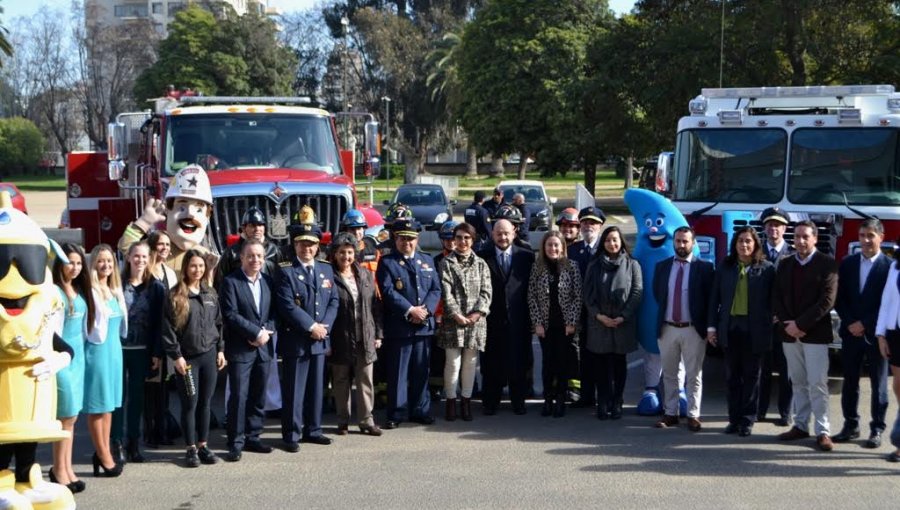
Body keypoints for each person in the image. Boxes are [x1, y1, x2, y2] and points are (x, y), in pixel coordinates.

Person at [772, 220, 838, 451]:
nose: (800, 241)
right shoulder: (785, 263)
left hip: (815, 334)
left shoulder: (827, 264)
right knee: (797, 381)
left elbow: (827, 301)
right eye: (797, 236)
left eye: (805, 237)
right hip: (789, 334)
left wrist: (800, 324)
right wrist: (788, 324)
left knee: (817, 383)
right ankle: (800, 425)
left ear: (815, 239)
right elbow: (776, 296)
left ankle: (823, 430)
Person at [275, 223, 339, 451]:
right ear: (295, 244)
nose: (307, 248)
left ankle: (313, 430)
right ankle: (291, 435)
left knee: (316, 389)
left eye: (311, 244)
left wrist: (326, 326)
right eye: (302, 243)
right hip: (297, 341)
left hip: (320, 339)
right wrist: (311, 326)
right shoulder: (285, 270)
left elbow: (333, 300)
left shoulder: (326, 269)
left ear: (318, 245)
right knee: (294, 390)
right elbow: (286, 305)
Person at [707, 227, 775, 437]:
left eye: (748, 241)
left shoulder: (767, 269)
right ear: (734, 244)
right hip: (730, 329)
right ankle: (733, 419)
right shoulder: (725, 267)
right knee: (732, 378)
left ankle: (747, 419)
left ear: (755, 245)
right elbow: (714, 300)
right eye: (740, 241)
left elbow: (773, 302)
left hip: (754, 331)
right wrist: (711, 327)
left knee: (752, 377)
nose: (744, 245)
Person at [161, 250, 226, 467]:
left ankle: (203, 445)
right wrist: (176, 356)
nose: (197, 270)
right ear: (185, 268)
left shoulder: (210, 293)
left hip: (209, 356)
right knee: (190, 403)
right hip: (187, 360)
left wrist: (220, 350)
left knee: (206, 404)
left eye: (200, 266)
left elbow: (218, 324)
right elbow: (168, 330)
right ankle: (190, 449)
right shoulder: (175, 296)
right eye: (193, 266)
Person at [376, 218, 442, 429]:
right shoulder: (388, 263)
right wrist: (410, 310)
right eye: (403, 239)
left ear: (417, 239)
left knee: (421, 371)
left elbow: (435, 289)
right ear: (396, 239)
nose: (407, 243)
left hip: (423, 325)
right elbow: (387, 291)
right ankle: (396, 412)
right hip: (400, 326)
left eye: (411, 239)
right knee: (398, 372)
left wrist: (426, 311)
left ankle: (420, 410)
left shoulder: (427, 260)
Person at [833, 219, 892, 447]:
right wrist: (850, 323)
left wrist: (865, 324)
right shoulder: (847, 264)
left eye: (870, 235)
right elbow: (840, 298)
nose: (865, 240)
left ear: (881, 237)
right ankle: (850, 425)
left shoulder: (890, 267)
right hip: (850, 334)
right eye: (862, 235)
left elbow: (888, 303)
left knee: (878, 384)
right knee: (850, 382)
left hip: (877, 335)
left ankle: (876, 429)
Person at [220, 239, 278, 462]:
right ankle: (235, 441)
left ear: (264, 259)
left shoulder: (269, 282)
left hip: (263, 348)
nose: (255, 260)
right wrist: (255, 333)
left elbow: (274, 313)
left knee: (258, 394)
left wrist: (266, 332)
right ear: (242, 258)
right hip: (241, 349)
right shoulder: (230, 282)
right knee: (239, 396)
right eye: (250, 256)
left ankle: (253, 436)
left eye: (259, 256)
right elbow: (231, 314)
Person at [652, 227, 714, 431]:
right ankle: (670, 413)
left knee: (693, 374)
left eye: (685, 241)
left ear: (693, 243)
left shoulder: (704, 268)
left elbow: (710, 300)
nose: (681, 245)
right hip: (668, 327)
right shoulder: (662, 267)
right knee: (669, 374)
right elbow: (657, 293)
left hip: (693, 329)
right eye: (678, 241)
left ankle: (693, 415)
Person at [112, 241, 166, 464]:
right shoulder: (117, 284)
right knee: (117, 398)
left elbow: (159, 323)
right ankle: (116, 443)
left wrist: (156, 352)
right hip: (117, 349)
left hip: (142, 350)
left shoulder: (156, 287)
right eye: (136, 256)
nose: (140, 261)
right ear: (128, 257)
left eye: (144, 257)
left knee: (137, 399)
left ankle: (133, 442)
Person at [583, 226, 643, 420]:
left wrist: (623, 316)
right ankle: (603, 400)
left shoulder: (632, 264)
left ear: (621, 241)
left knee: (618, 365)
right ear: (604, 243)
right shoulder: (594, 265)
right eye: (608, 240)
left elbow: (637, 292)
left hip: (622, 323)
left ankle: (617, 400)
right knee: (601, 366)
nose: (612, 243)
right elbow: (587, 295)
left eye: (615, 240)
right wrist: (598, 316)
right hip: (599, 323)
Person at [328, 233, 384, 436]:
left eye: (350, 252)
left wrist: (378, 333)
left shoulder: (365, 275)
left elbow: (375, 306)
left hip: (365, 335)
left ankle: (366, 421)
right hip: (340, 336)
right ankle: (342, 420)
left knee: (365, 380)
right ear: (334, 254)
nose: (346, 256)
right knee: (341, 380)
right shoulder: (329, 276)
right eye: (342, 252)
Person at [50, 243, 95, 493]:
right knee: (64, 417)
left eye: (79, 263)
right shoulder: (55, 292)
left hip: (79, 361)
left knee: (72, 417)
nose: (75, 268)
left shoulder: (78, 289)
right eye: (71, 262)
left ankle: (66, 469)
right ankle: (58, 470)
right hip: (62, 359)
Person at [479, 218, 535, 415]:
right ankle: (490, 402)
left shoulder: (527, 257)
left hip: (519, 320)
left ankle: (518, 401)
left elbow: (533, 290)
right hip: (491, 320)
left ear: (514, 233)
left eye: (506, 233)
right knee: (491, 362)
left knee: (518, 362)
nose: (503, 237)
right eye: (498, 234)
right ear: (493, 235)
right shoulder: (482, 257)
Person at [437, 223, 492, 422]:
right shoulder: (446, 263)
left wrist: (477, 313)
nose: (462, 242)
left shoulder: (481, 264)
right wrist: (456, 314)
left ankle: (466, 401)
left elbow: (486, 292)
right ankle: (451, 401)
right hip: (453, 322)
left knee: (470, 363)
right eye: (459, 237)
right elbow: (446, 292)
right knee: (453, 363)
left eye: (466, 238)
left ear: (473, 240)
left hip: (475, 323)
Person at [528, 231, 582, 418]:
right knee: (548, 363)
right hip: (546, 326)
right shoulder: (538, 267)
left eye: (556, 245)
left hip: (565, 326)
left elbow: (577, 296)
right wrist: (537, 323)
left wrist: (571, 322)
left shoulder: (572, 266)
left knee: (562, 363)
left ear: (562, 247)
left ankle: (560, 399)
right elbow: (532, 296)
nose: (553, 248)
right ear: (544, 247)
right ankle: (548, 399)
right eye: (550, 245)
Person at [84, 244, 127, 477]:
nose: (106, 266)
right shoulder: (90, 290)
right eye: (101, 261)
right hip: (98, 352)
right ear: (93, 264)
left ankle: (104, 450)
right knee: (97, 406)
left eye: (109, 261)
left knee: (109, 406)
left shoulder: (114, 289)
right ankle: (103, 455)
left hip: (114, 352)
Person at [757, 207, 793, 426]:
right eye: (770, 225)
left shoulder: (793, 254)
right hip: (761, 323)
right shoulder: (755, 253)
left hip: (785, 324)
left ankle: (785, 413)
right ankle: (759, 411)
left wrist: (781, 315)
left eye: (778, 225)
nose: (774, 229)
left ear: (785, 228)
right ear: (764, 228)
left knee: (787, 371)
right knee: (762, 371)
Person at [568, 205, 606, 409]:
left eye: (592, 222)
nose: (588, 226)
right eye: (584, 222)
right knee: (585, 355)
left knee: (603, 357)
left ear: (600, 226)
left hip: (602, 313)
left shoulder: (607, 247)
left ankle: (605, 396)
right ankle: (587, 395)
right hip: (581, 313)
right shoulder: (574, 250)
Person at [144, 230, 178, 450]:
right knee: (149, 389)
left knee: (164, 387)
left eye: (167, 244)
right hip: (148, 337)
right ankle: (150, 432)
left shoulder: (169, 273)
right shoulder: (145, 272)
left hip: (165, 337)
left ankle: (162, 428)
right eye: (161, 244)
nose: (165, 248)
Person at [875, 247, 900, 463]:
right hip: (895, 333)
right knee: (898, 386)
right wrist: (881, 334)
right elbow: (886, 301)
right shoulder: (895, 266)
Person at [216, 207, 283, 287]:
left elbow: (282, 277)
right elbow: (221, 281)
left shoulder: (273, 250)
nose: (257, 229)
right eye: (252, 225)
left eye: (260, 225)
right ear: (244, 229)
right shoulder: (231, 252)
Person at [340, 208, 379, 275]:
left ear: (363, 229)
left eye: (359, 228)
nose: (356, 232)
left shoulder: (373, 250)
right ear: (345, 230)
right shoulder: (337, 251)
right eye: (352, 229)